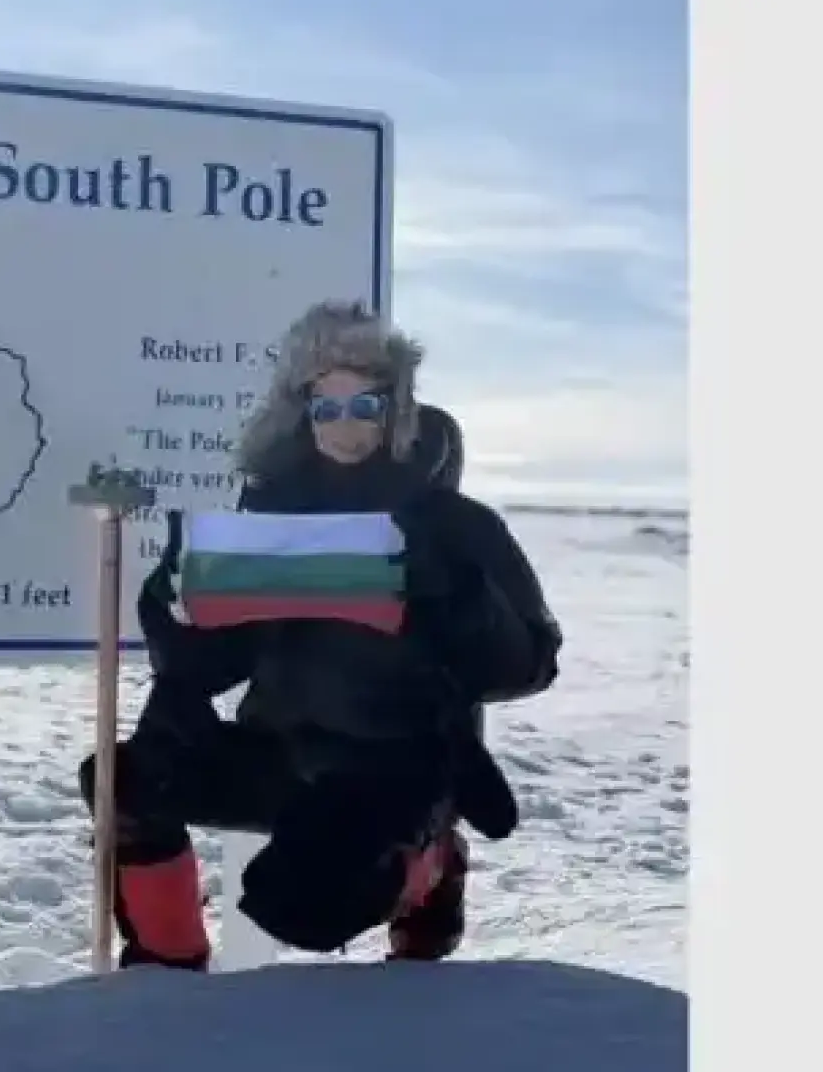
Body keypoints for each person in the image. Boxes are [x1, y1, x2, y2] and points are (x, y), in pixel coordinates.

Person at [78, 299, 563, 969]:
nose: (345, 426)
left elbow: (533, 663)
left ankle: (430, 868)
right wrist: (175, 607)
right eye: (326, 406)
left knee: (304, 906)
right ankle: (169, 964)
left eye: (364, 406)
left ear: (395, 409)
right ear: (300, 410)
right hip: (279, 750)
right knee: (123, 782)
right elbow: (219, 658)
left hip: (398, 768)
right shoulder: (268, 517)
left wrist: (459, 597)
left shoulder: (457, 524)